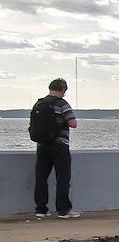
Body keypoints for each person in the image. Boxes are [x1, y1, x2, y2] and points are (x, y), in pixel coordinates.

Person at [31, 78, 80, 219]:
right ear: (63, 90)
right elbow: (73, 123)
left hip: (42, 145)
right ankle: (63, 210)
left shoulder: (39, 104)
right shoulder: (62, 103)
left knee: (41, 178)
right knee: (63, 178)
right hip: (59, 146)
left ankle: (41, 209)